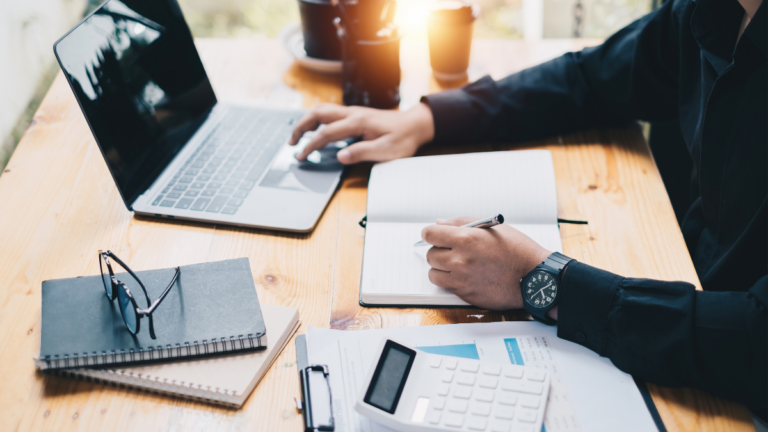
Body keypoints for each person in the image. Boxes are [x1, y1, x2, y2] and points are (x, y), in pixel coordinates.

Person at [290, 0, 767, 420]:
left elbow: (754, 340)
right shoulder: (714, 11)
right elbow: (592, 78)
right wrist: (426, 119)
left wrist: (547, 282)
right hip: (688, 299)